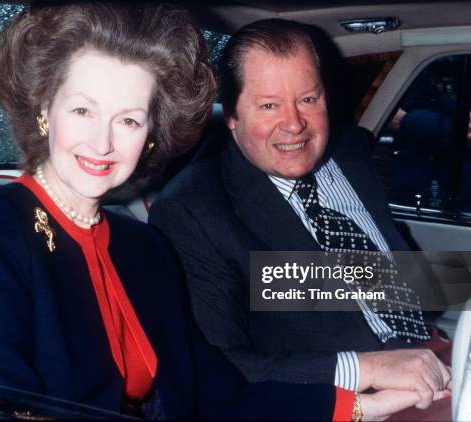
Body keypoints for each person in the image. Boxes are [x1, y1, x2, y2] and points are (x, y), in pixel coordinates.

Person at [0, 2, 426, 420]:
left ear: (150, 137)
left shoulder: (140, 248)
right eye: (82, 110)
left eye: (129, 119)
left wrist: (357, 408)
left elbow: (215, 390)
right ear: (42, 109)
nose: (103, 140)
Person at [149, 18, 452, 417]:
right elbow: (219, 370)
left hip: (432, 353)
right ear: (233, 117)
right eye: (269, 105)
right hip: (342, 402)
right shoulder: (194, 211)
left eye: (308, 99)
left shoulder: (350, 151)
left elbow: (391, 280)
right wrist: (368, 367)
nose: (294, 124)